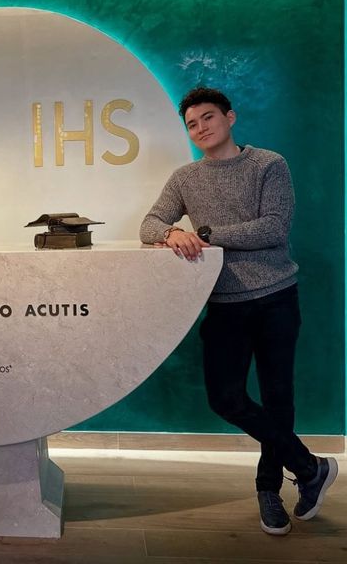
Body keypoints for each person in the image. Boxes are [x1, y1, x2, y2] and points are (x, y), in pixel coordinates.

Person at [139, 87, 338, 535]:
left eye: (208, 117)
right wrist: (171, 233)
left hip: (276, 298)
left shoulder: (269, 164)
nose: (201, 128)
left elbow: (273, 228)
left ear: (229, 117)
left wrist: (205, 234)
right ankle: (310, 468)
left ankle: (269, 491)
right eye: (192, 124)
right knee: (225, 398)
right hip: (224, 304)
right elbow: (149, 223)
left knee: (277, 398)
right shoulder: (185, 177)